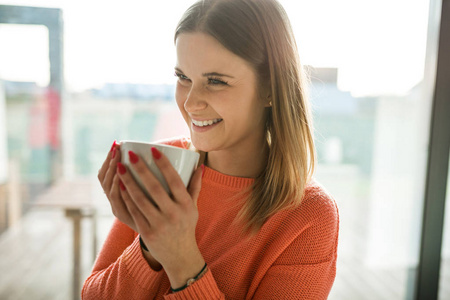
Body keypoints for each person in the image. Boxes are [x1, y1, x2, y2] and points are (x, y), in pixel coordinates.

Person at [82, 0, 339, 298]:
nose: (190, 103)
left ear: (271, 88)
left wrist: (182, 261)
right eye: (183, 77)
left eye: (215, 81)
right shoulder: (159, 166)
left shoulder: (309, 216)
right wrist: (149, 247)